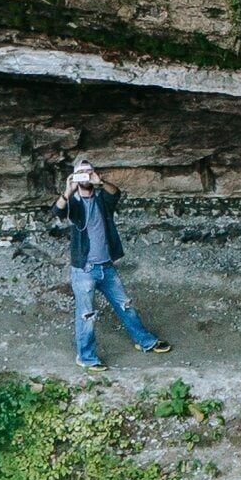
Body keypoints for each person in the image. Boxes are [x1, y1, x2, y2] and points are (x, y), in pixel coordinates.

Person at [59, 159, 170, 371]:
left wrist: (100, 182)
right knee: (87, 315)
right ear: (75, 177)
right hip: (84, 270)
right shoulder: (73, 203)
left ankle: (145, 341)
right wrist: (67, 190)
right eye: (81, 173)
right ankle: (86, 357)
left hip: (106, 267)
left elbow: (115, 193)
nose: (85, 176)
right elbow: (56, 211)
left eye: (88, 172)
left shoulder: (102, 200)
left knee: (125, 305)